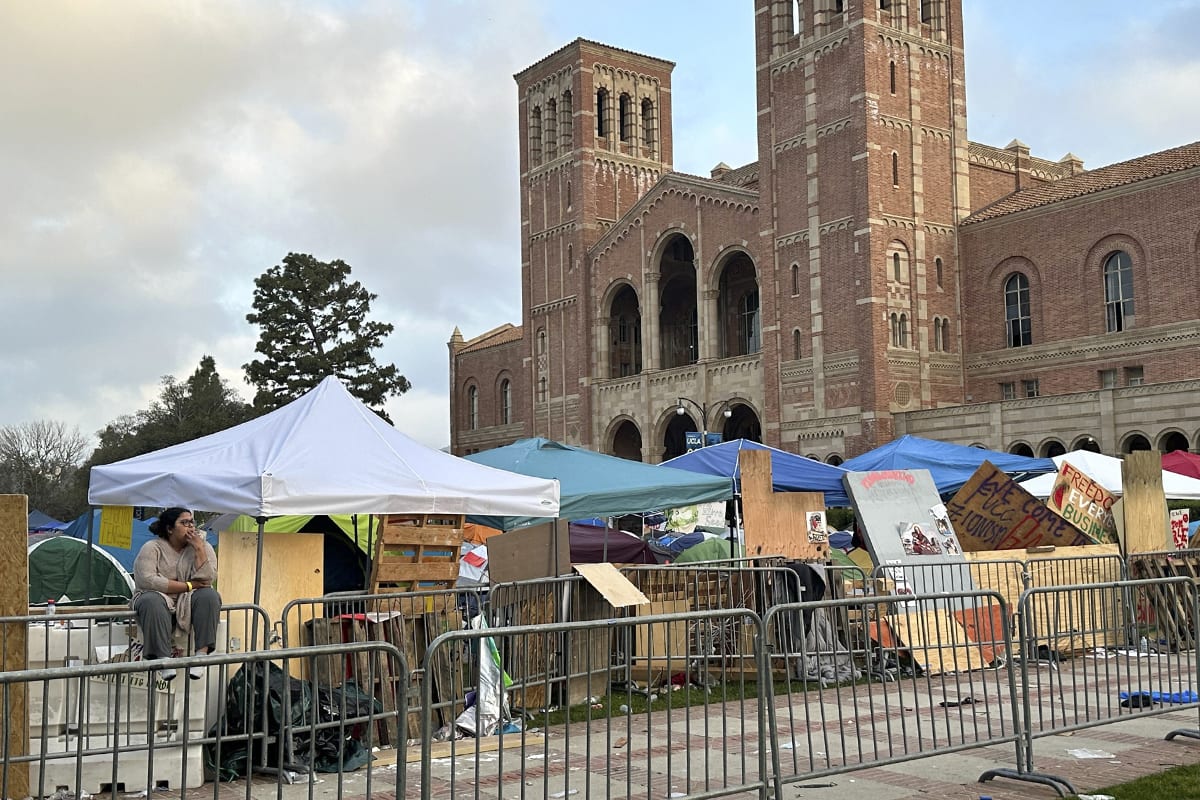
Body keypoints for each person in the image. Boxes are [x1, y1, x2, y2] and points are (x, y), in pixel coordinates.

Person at [132, 507, 220, 681]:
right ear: (170, 528)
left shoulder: (203, 545)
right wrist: (188, 585)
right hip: (158, 598)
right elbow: (148, 580)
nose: (190, 527)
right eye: (184, 523)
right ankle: (163, 660)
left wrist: (200, 550)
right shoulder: (152, 548)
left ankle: (201, 656)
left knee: (209, 596)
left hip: (188, 601)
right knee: (151, 600)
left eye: (191, 522)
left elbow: (208, 579)